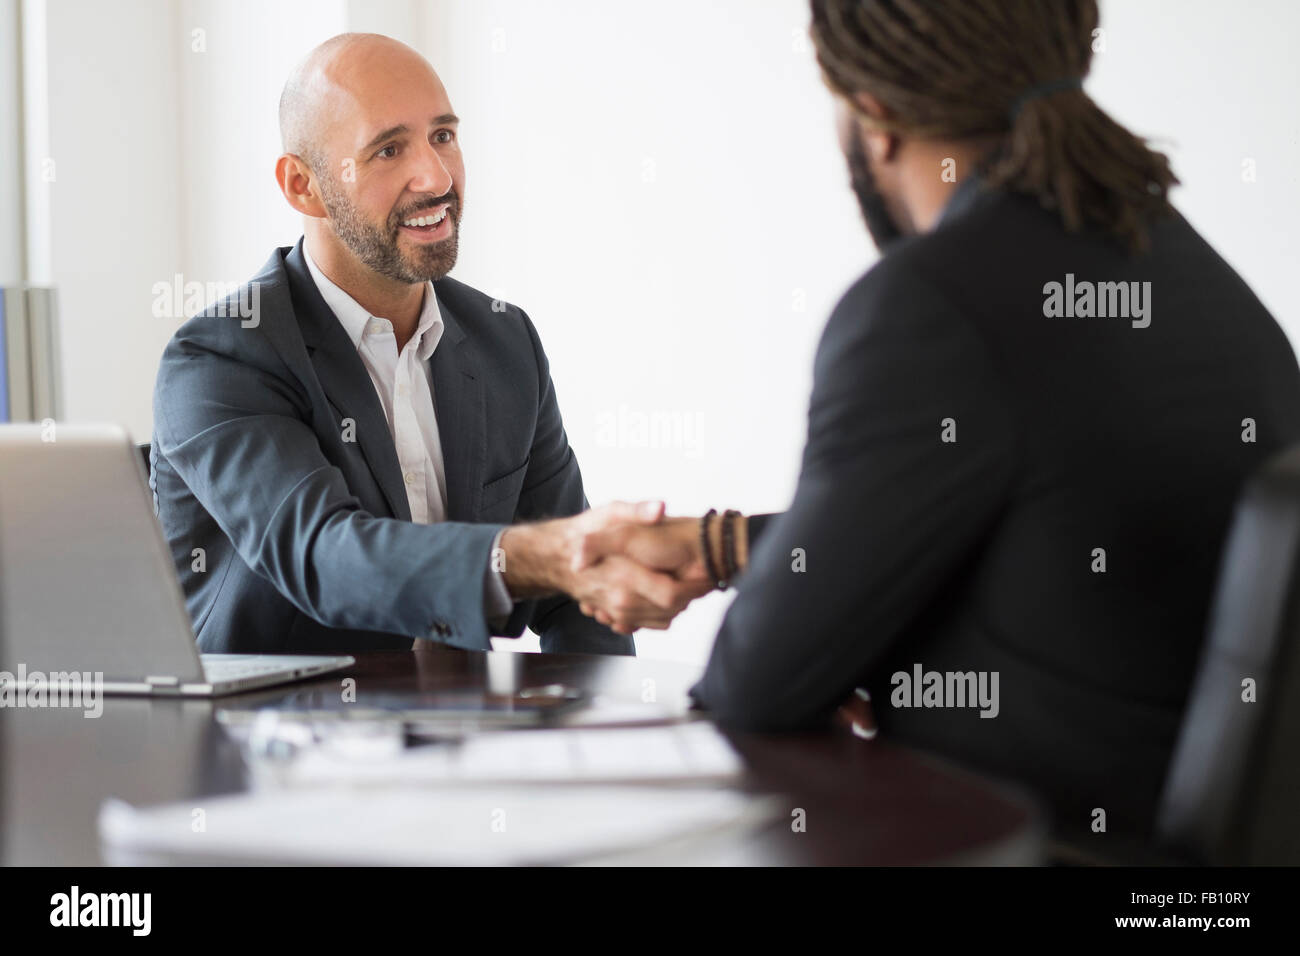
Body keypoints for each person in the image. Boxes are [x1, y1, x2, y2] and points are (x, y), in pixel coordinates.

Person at [575, 0, 1300, 842]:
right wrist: (725, 546)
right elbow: (1030, 531)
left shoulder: (931, 307)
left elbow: (753, 690)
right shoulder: (1203, 285)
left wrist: (842, 653)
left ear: (873, 113)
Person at [151, 33, 707, 657]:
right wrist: (539, 556)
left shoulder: (506, 341)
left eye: (443, 135)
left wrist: (597, 733)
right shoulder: (220, 358)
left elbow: (572, 601)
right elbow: (327, 559)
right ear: (302, 186)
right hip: (276, 741)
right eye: (389, 150)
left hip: (462, 741)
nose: (436, 177)